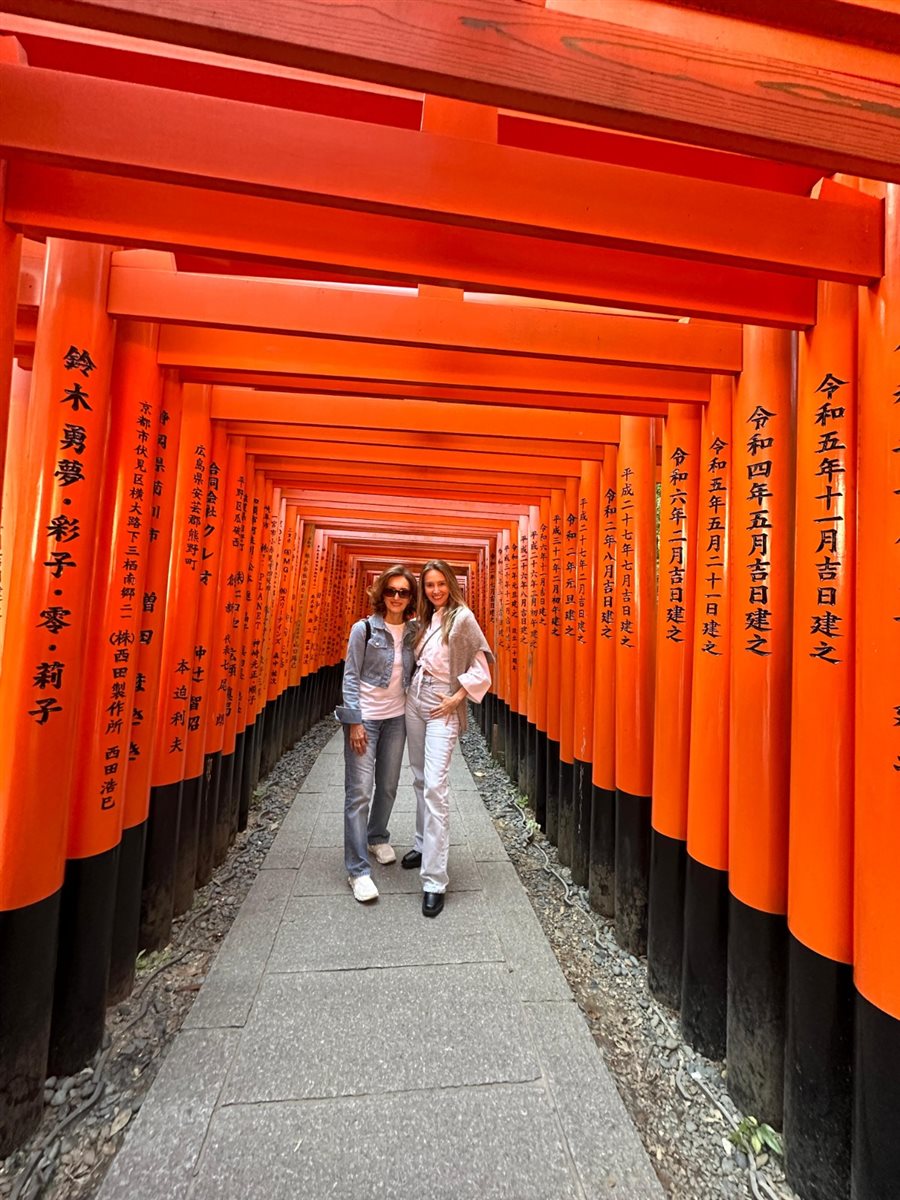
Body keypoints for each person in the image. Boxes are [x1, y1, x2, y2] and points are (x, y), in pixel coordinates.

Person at [404, 559, 493, 917]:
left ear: (451, 585)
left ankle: (435, 879)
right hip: (416, 699)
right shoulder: (424, 620)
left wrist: (458, 697)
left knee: (436, 786)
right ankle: (422, 844)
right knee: (419, 778)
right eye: (429, 585)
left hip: (444, 702)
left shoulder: (463, 619)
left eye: (441, 584)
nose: (435, 590)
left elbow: (482, 668)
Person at [336, 565, 418, 903]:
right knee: (359, 793)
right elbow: (351, 675)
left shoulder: (415, 632)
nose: (396, 597)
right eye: (391, 591)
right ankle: (357, 870)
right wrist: (354, 721)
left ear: (411, 597)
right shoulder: (364, 629)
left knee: (387, 785)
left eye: (404, 592)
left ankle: (377, 835)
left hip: (397, 718)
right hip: (365, 719)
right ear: (381, 593)